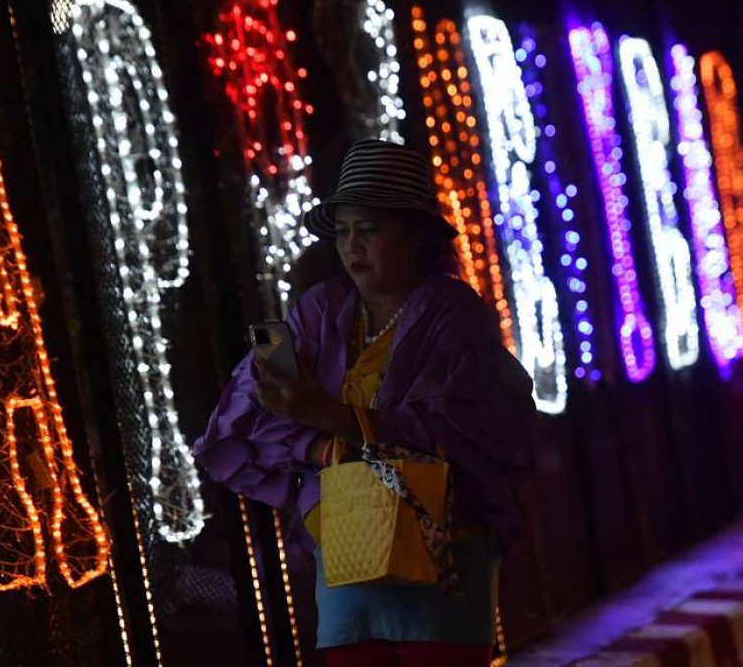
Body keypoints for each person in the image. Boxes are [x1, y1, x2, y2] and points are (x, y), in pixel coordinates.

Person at [194, 139, 535, 666]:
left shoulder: (454, 314)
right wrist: (325, 450)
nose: (353, 246)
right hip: (349, 544)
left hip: (442, 543)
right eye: (345, 230)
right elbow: (253, 418)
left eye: (370, 229)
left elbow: (463, 431)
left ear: (416, 236)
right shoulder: (320, 309)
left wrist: (332, 419)